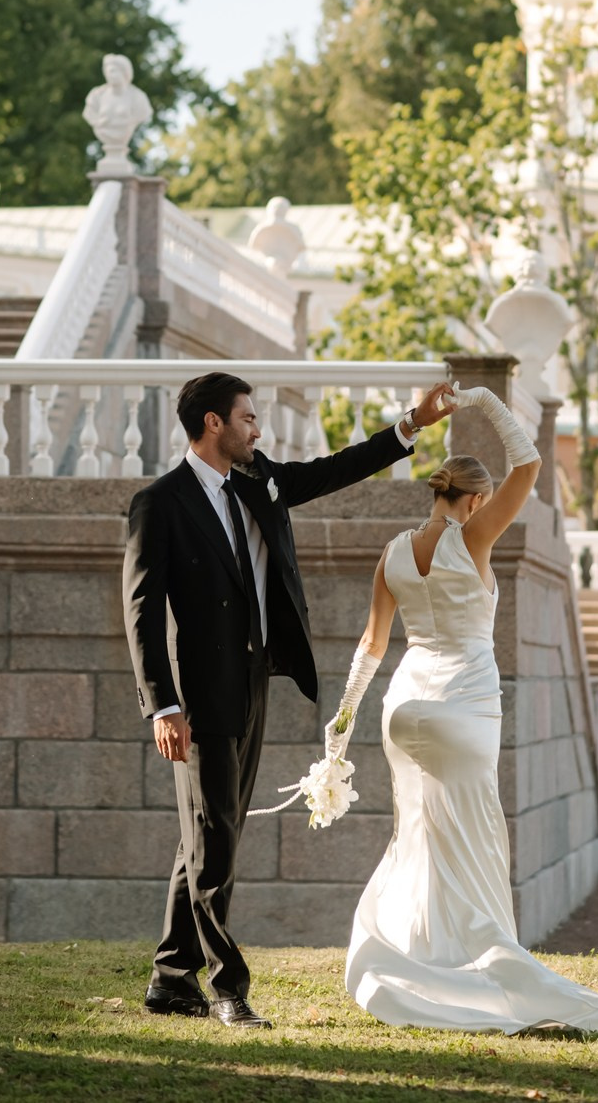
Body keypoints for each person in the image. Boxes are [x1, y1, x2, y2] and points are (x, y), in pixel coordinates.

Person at [122, 370, 456, 1029]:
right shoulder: (159, 504)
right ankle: (227, 987)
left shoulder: (258, 481)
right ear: (213, 424)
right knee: (214, 837)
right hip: (198, 696)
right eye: (247, 418)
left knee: (213, 835)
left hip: (253, 684)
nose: (258, 428)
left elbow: (333, 470)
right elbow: (140, 610)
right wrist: (162, 706)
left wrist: (410, 425)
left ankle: (169, 977)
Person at [323, 383, 598, 1035]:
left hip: (403, 710)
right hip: (464, 709)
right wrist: (488, 401)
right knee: (478, 844)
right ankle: (487, 977)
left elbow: (372, 645)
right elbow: (532, 466)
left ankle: (418, 964)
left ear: (435, 491)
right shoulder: (476, 537)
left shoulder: (394, 552)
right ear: (476, 500)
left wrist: (341, 728)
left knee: (421, 840)